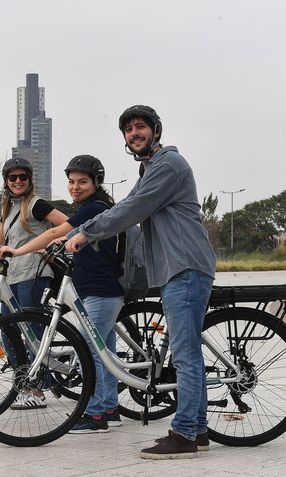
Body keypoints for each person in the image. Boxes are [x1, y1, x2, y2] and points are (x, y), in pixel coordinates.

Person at [65, 105, 216, 459]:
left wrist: (85, 233)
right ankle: (198, 429)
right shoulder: (149, 168)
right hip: (175, 268)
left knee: (185, 355)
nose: (134, 133)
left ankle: (183, 436)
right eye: (129, 129)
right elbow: (129, 203)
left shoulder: (168, 164)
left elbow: (133, 209)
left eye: (140, 127)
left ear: (156, 130)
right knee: (187, 352)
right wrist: (74, 234)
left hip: (185, 266)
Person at [0, 155, 125, 433]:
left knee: (92, 351)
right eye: (71, 182)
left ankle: (96, 415)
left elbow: (59, 230)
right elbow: (69, 238)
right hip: (97, 289)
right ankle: (110, 408)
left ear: (97, 182)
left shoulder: (93, 208)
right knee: (105, 352)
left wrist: (19, 250)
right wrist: (52, 249)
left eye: (82, 182)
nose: (75, 187)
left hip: (101, 291)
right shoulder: (92, 207)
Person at [0, 157, 68, 409]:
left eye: (23, 177)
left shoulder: (36, 205)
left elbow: (68, 225)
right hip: (12, 275)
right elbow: (2, 237)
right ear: (6, 181)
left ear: (29, 179)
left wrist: (53, 246)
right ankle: (23, 382)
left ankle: (37, 389)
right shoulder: (10, 206)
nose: (18, 181)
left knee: (34, 334)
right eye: (13, 177)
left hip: (34, 275)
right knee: (8, 333)